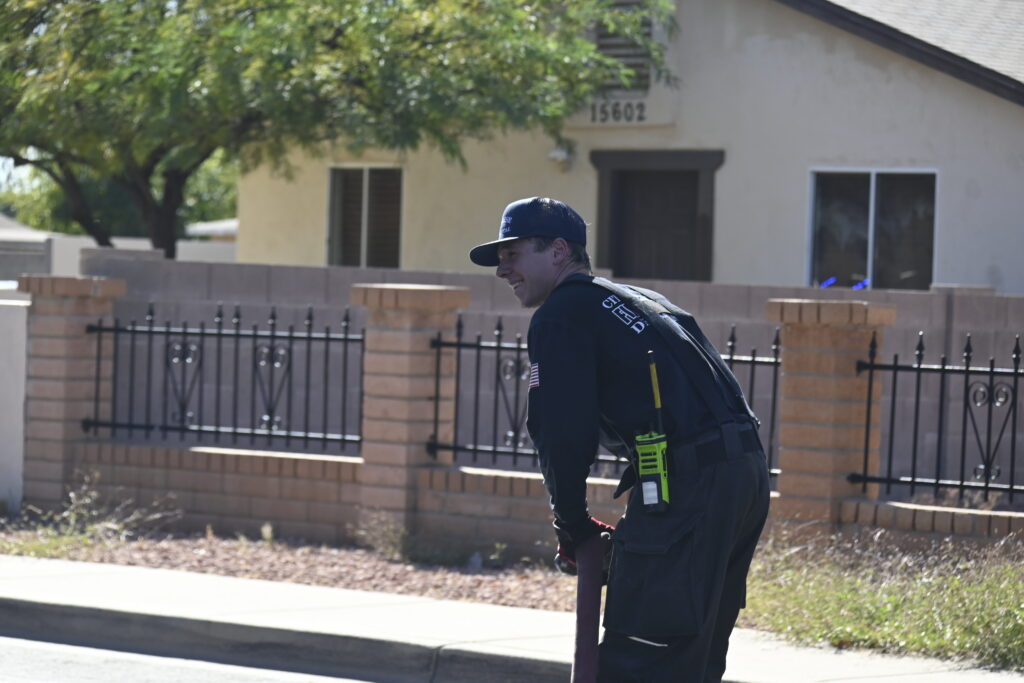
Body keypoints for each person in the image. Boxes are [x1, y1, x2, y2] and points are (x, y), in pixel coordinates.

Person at [468, 197, 770, 682]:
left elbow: (560, 429)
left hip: (690, 486)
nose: (502, 270)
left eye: (513, 254)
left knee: (641, 656)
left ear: (558, 251)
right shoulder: (640, 300)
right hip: (744, 478)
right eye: (500, 259)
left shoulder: (562, 314)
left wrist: (571, 523)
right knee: (692, 659)